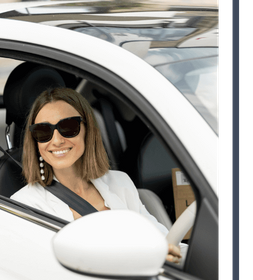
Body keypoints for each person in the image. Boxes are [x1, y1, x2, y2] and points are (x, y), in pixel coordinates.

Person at [11, 87, 183, 264]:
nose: (56, 140)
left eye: (68, 127)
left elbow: (161, 240)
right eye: (43, 132)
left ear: (88, 130)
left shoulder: (120, 182)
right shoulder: (25, 205)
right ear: (35, 140)